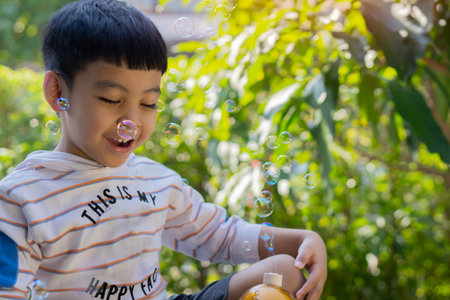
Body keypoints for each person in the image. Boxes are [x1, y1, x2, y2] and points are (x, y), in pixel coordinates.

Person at [0, 1, 327, 299]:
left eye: (149, 103)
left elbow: (218, 235)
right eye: (112, 99)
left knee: (284, 271)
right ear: (58, 91)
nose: (132, 120)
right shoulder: (22, 198)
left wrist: (302, 240)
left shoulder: (154, 180)